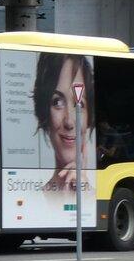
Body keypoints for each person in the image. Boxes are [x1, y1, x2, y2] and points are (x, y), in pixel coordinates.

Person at [31, 53, 95, 194]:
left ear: (89, 117)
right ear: (44, 113)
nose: (69, 122)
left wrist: (85, 196)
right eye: (57, 102)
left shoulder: (93, 199)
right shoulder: (32, 199)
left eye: (79, 104)